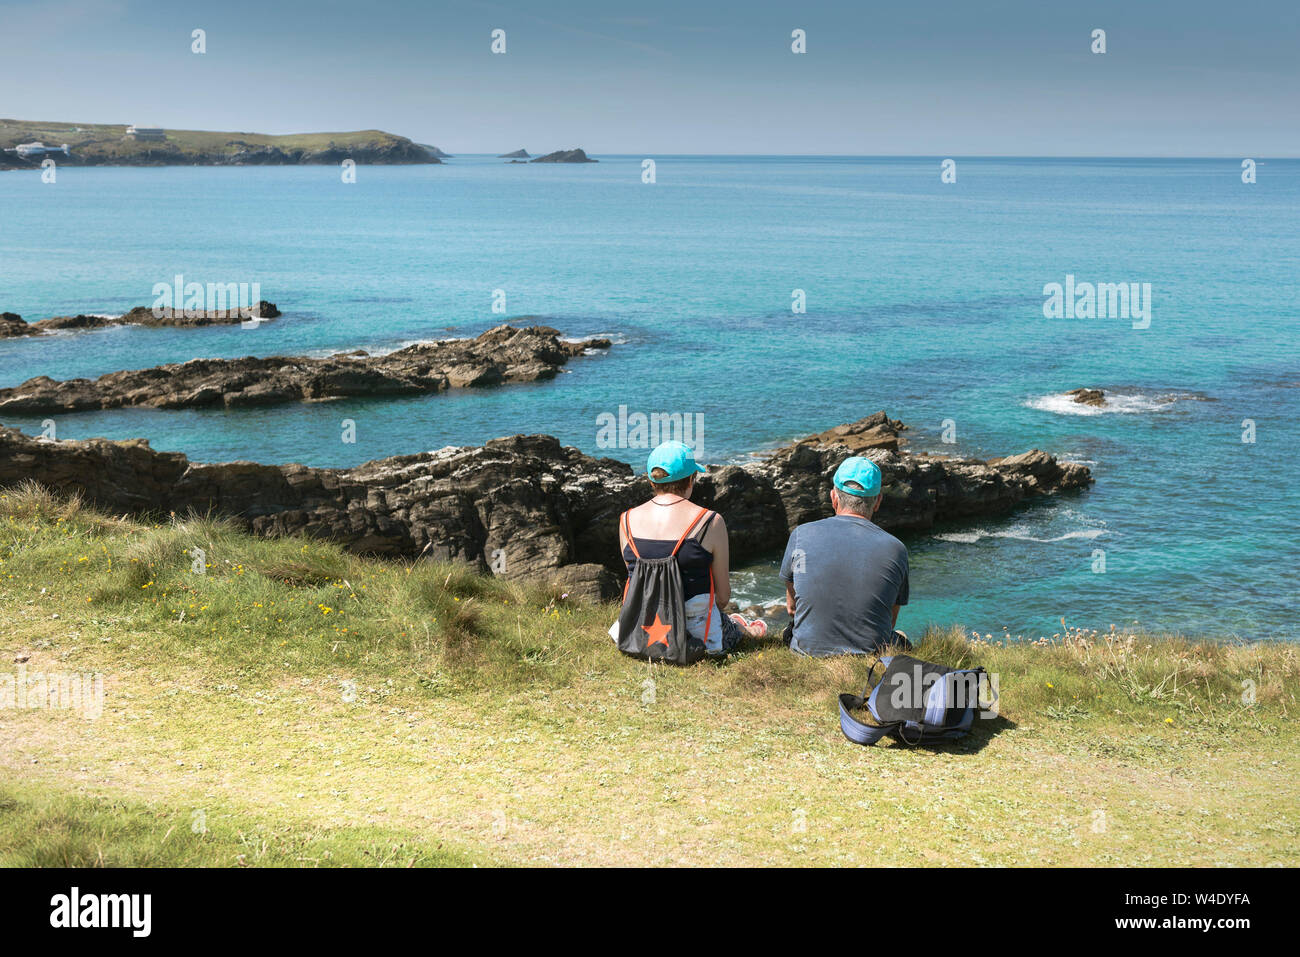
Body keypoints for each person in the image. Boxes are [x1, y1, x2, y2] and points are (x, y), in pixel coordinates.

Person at [617, 440, 766, 655]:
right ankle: (749, 629)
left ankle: (738, 624)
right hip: (696, 636)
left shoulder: (626, 521)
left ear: (651, 481)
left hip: (640, 630)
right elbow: (723, 597)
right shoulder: (710, 522)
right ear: (690, 480)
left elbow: (636, 579)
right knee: (733, 628)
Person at [778, 456, 910, 656]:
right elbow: (889, 619)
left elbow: (792, 607)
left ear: (834, 497)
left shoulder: (801, 535)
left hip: (807, 651)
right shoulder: (896, 549)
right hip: (871, 655)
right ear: (878, 502)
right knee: (901, 636)